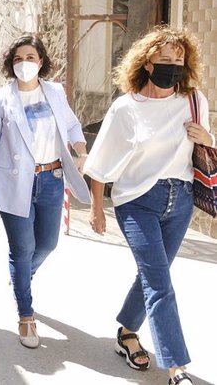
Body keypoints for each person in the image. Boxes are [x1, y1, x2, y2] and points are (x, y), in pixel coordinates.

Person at [84, 26, 208, 385]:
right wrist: (95, 209)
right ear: (147, 63)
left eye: (179, 60)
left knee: (154, 275)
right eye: (165, 60)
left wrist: (208, 136)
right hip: (138, 202)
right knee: (160, 283)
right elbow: (100, 164)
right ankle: (176, 368)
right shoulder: (126, 108)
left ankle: (126, 331)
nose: (173, 66)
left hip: (181, 199)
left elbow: (207, 146)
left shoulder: (194, 100)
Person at [0, 34, 90, 348]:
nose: (24, 64)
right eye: (18, 59)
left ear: (41, 62)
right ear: (10, 64)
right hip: (14, 182)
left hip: (52, 178)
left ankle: (20, 278)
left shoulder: (54, 91)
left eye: (30, 57)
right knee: (22, 249)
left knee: (48, 244)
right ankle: (26, 315)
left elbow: (71, 125)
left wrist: (80, 151)